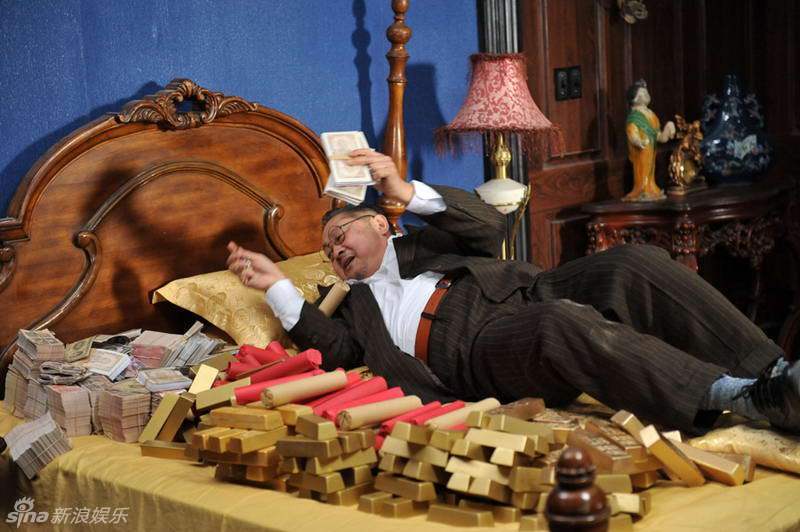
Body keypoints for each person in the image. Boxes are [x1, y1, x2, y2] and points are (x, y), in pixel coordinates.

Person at [226, 149, 800, 435]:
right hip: (479, 351)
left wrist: (405, 189)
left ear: (380, 223)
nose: (334, 251)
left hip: (531, 288)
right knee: (557, 325)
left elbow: (490, 225)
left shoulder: (427, 242)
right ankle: (737, 396)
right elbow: (334, 352)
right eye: (327, 251)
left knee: (633, 261)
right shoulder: (354, 307)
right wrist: (278, 287)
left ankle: (775, 375)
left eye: (339, 235)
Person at [624, 79, 676, 201]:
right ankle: (641, 190)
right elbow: (631, 131)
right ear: (635, 98)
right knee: (642, 170)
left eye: (646, 92)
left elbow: (658, 135)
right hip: (642, 149)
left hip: (651, 148)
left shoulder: (651, 114)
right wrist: (637, 141)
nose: (646, 94)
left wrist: (667, 129)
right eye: (642, 93)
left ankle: (650, 188)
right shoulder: (634, 116)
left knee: (650, 170)